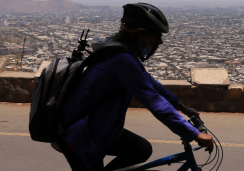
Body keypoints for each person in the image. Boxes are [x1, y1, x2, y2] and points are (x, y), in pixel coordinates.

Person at [56, 3, 214, 171]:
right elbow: (155, 103)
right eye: (156, 35)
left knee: (141, 149)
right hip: (79, 134)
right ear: (142, 36)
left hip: (97, 128)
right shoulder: (123, 61)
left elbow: (152, 84)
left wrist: (183, 108)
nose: (160, 41)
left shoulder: (123, 54)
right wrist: (193, 133)